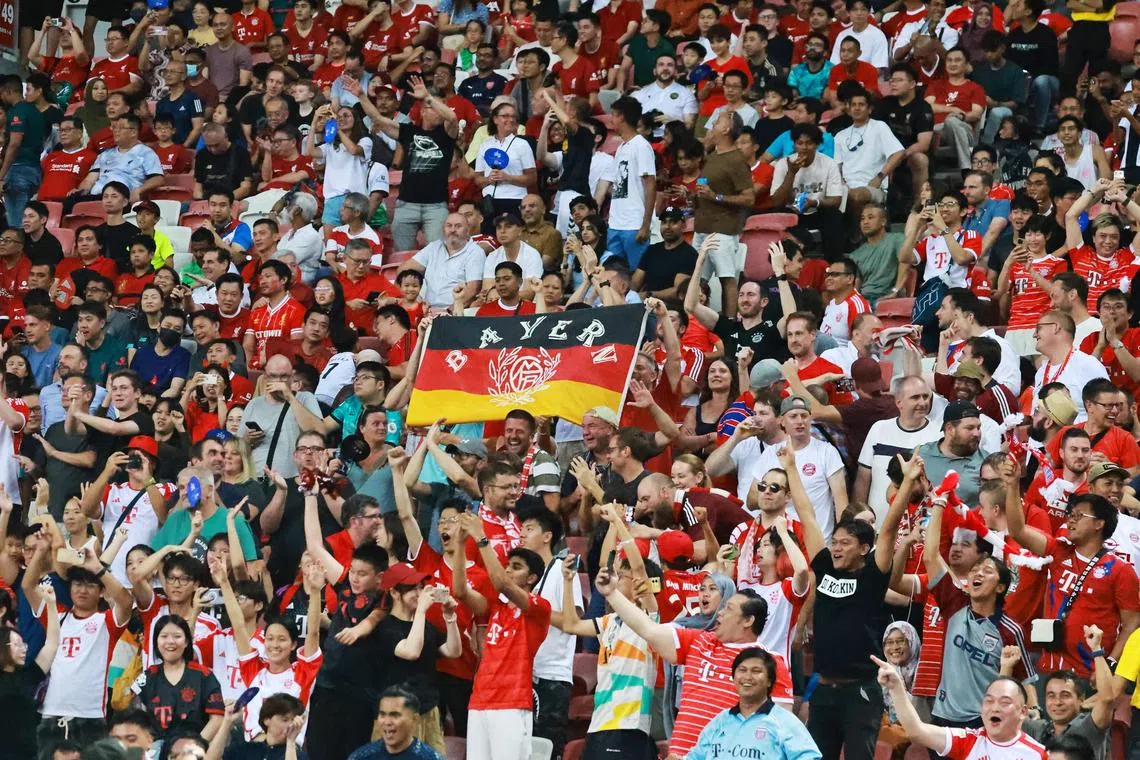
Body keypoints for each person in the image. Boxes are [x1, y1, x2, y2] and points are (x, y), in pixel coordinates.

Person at [793, 437, 906, 760]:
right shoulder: (826, 567)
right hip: (823, 690)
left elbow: (888, 530)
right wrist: (790, 467)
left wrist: (908, 482)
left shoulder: (872, 577)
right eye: (835, 542)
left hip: (861, 691)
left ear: (863, 549)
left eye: (845, 542)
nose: (837, 547)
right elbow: (808, 515)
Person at [1004, 459, 1140, 679]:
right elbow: (1017, 530)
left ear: (1099, 524)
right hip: (1048, 669)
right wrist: (1012, 486)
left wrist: (1111, 663)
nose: (1071, 521)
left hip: (1089, 675)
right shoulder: (1059, 551)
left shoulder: (1120, 571)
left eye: (1079, 516)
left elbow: (1132, 622)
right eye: (1071, 515)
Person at [456, 512, 552, 760]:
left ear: (531, 579)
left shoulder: (539, 608)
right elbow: (459, 590)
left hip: (511, 704)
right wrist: (458, 545)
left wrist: (481, 538)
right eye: (508, 566)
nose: (508, 571)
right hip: (478, 702)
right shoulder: (494, 607)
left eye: (516, 568)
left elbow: (501, 584)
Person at [874, 656, 1047, 759]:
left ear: (1023, 711)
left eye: (1004, 702)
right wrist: (896, 687)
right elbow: (917, 731)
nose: (995, 708)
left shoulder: (1038, 754)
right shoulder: (969, 741)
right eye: (989, 701)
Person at [687, 647, 821, 760]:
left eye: (756, 671)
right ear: (734, 678)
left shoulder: (784, 722)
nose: (748, 677)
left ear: (770, 681)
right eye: (742, 670)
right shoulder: (720, 721)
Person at [0, 579, 59, 760]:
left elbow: (51, 645)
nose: (24, 648)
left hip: (30, 754)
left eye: (23, 643)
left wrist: (51, 604)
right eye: (17, 644)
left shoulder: (28, 675)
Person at [347, 687, 446, 760]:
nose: (387, 722)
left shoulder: (431, 758)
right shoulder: (362, 757)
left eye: (395, 715)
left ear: (414, 719)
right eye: (382, 715)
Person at [0, 75, 46, 227]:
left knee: (17, 224)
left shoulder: (17, 111)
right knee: (25, 221)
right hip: (34, 170)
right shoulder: (37, 112)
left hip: (18, 170)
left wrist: (1, 176)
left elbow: (14, 143)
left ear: (8, 91)